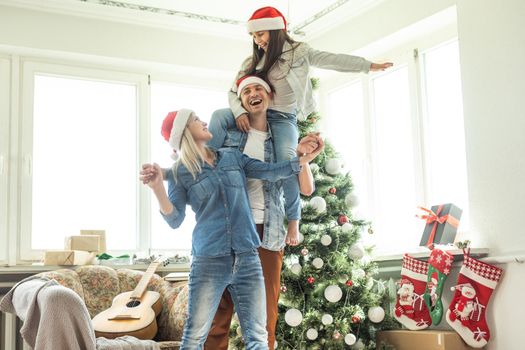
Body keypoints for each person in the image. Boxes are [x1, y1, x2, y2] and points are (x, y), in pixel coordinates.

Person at [207, 6, 393, 247]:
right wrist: (240, 111)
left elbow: (333, 60)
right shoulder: (252, 62)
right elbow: (233, 92)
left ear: (275, 30)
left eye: (260, 34)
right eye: (254, 36)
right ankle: (204, 164)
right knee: (219, 116)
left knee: (287, 162)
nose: (257, 40)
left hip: (283, 118)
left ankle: (293, 220)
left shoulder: (300, 52)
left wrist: (368, 65)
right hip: (256, 111)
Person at [140, 108, 323, 350]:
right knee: (195, 337)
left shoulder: (232, 156)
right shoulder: (179, 172)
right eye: (196, 119)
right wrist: (157, 189)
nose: (204, 121)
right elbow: (174, 220)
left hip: (247, 256)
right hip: (209, 260)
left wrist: (301, 161)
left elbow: (269, 171)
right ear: (184, 132)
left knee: (257, 336)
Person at [204, 76, 323, 350]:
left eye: (258, 89)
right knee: (218, 309)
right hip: (229, 231)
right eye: (246, 91)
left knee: (265, 312)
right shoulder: (230, 133)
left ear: (269, 96)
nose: (253, 93)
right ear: (240, 101)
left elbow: (301, 187)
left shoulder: (282, 140)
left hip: (267, 232)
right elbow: (208, 166)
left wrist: (303, 157)